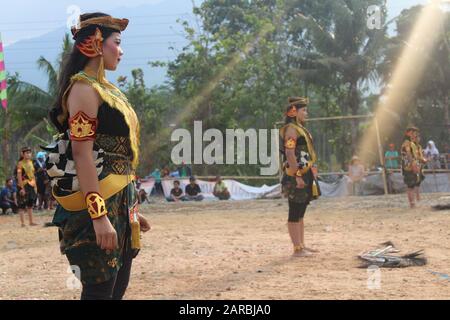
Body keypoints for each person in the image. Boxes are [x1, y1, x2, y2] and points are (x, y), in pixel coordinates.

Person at [47, 12, 150, 300]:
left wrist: (129, 208)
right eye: (116, 42)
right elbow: (82, 155)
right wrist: (99, 216)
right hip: (99, 207)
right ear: (94, 44)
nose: (121, 50)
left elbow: (117, 156)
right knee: (99, 290)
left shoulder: (107, 89)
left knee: (117, 289)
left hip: (119, 202)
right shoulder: (83, 89)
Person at [279, 96, 321, 258]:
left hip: (305, 172)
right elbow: (290, 153)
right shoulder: (291, 129)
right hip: (295, 175)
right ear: (294, 112)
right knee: (294, 211)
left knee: (301, 210)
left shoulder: (299, 127)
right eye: (304, 110)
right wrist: (297, 175)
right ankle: (297, 248)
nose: (306, 113)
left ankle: (302, 245)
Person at [401, 127, 426, 208]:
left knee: (413, 183)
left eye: (414, 133)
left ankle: (413, 202)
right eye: (412, 133)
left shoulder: (412, 143)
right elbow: (408, 154)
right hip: (408, 166)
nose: (414, 134)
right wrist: (413, 164)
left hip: (411, 165)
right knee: (410, 185)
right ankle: (412, 203)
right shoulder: (407, 142)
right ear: (407, 133)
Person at [15, 147, 38, 227]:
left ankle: (31, 222)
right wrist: (21, 188)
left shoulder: (31, 162)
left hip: (31, 184)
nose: (28, 154)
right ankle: (22, 223)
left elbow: (33, 175)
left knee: (30, 204)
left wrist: (35, 186)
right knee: (22, 204)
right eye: (26, 153)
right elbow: (19, 176)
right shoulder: (20, 164)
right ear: (22, 154)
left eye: (29, 152)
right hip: (23, 185)